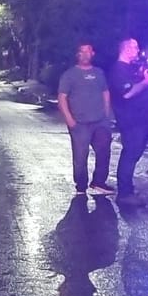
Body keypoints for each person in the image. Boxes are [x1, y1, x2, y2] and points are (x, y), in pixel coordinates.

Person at [108, 38, 148, 197]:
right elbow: (127, 94)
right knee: (130, 153)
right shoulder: (118, 70)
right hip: (132, 120)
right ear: (126, 49)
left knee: (135, 153)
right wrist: (146, 82)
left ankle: (128, 189)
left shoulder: (135, 68)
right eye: (135, 47)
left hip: (144, 119)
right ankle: (125, 192)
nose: (138, 50)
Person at [56, 42, 113, 195]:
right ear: (78, 54)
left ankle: (99, 182)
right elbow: (62, 97)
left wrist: (106, 113)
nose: (86, 54)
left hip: (100, 121)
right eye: (82, 51)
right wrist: (69, 119)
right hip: (80, 123)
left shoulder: (99, 73)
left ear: (93, 54)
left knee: (104, 152)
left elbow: (105, 92)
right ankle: (81, 185)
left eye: (89, 51)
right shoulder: (69, 75)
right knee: (80, 156)